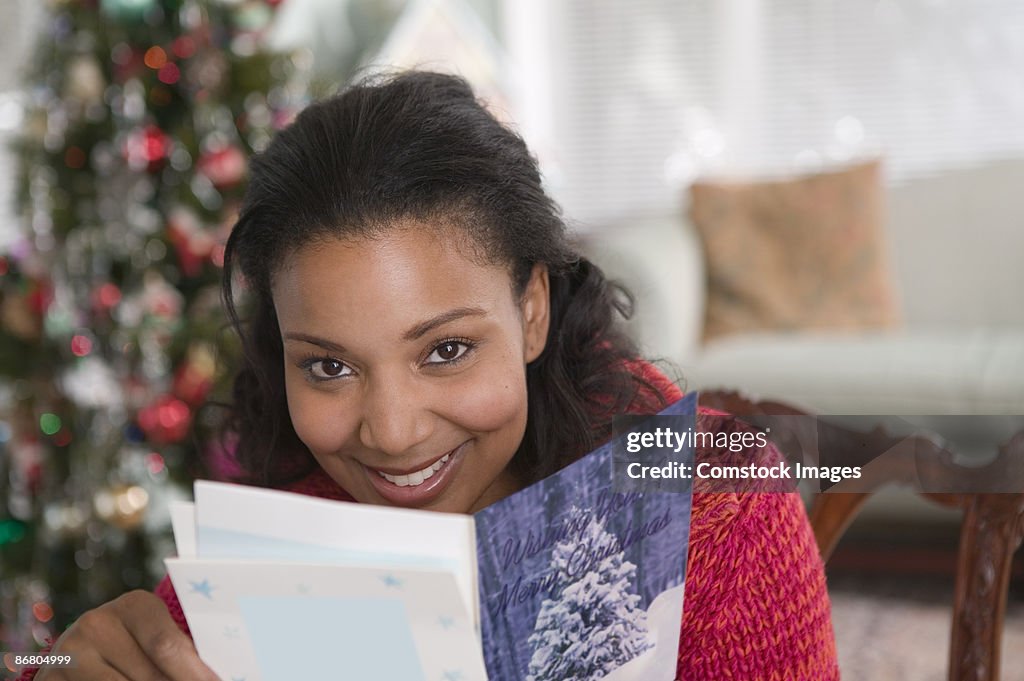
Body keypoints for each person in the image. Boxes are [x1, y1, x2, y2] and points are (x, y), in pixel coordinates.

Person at [27, 71, 838, 680]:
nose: (392, 430)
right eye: (329, 365)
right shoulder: (282, 541)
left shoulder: (717, 511)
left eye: (445, 349)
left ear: (531, 310)